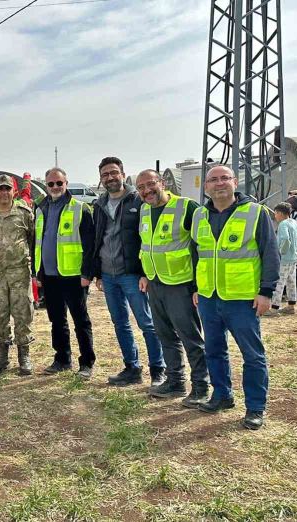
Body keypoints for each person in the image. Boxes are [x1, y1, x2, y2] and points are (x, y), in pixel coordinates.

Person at [192, 165, 279, 430]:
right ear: (206, 186)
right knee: (214, 350)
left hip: (242, 298)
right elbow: (198, 254)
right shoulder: (199, 215)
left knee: (252, 355)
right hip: (209, 296)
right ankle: (222, 395)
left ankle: (255, 408)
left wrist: (266, 292)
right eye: (213, 180)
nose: (219, 184)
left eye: (224, 178)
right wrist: (197, 287)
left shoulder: (255, 213)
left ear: (235, 182)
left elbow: (270, 253)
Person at [135, 170, 210, 407]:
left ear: (163, 183)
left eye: (150, 184)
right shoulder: (144, 210)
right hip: (155, 283)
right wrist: (145, 275)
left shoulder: (187, 208)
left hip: (180, 284)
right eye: (141, 187)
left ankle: (201, 386)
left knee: (190, 336)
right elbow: (147, 244)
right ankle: (175, 381)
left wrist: (198, 286)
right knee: (165, 335)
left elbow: (202, 247)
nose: (146, 191)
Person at [91, 157, 165, 387]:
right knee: (120, 323)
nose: (110, 177)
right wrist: (98, 273)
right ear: (101, 179)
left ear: (123, 174)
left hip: (132, 274)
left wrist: (144, 272)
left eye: (114, 173)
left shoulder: (138, 201)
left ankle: (158, 368)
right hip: (108, 274)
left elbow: (147, 238)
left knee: (147, 322)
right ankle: (132, 367)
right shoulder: (99, 205)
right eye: (105, 174)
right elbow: (97, 239)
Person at [34, 167, 96, 379]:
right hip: (50, 276)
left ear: (66, 184)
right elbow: (38, 242)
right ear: (46, 185)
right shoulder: (40, 209)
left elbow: (90, 245)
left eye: (59, 183)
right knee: (56, 319)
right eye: (51, 184)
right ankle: (62, 358)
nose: (55, 187)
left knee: (80, 320)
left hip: (73, 276)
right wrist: (38, 272)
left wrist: (87, 274)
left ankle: (87, 362)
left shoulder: (80, 208)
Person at [0, 174, 35, 375]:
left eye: (7, 189)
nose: (4, 193)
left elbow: (32, 240)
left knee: (23, 313)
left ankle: (24, 355)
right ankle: (2, 356)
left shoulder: (25, 214)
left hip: (19, 273)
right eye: (0, 189)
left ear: (14, 191)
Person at [267, 202, 297, 316]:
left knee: (279, 283)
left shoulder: (283, 224)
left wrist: (280, 253)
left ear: (280, 213)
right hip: (294, 258)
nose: (275, 216)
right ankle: (291, 306)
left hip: (284, 259)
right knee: (291, 282)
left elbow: (285, 239)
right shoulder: (294, 222)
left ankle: (274, 308)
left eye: (275, 213)